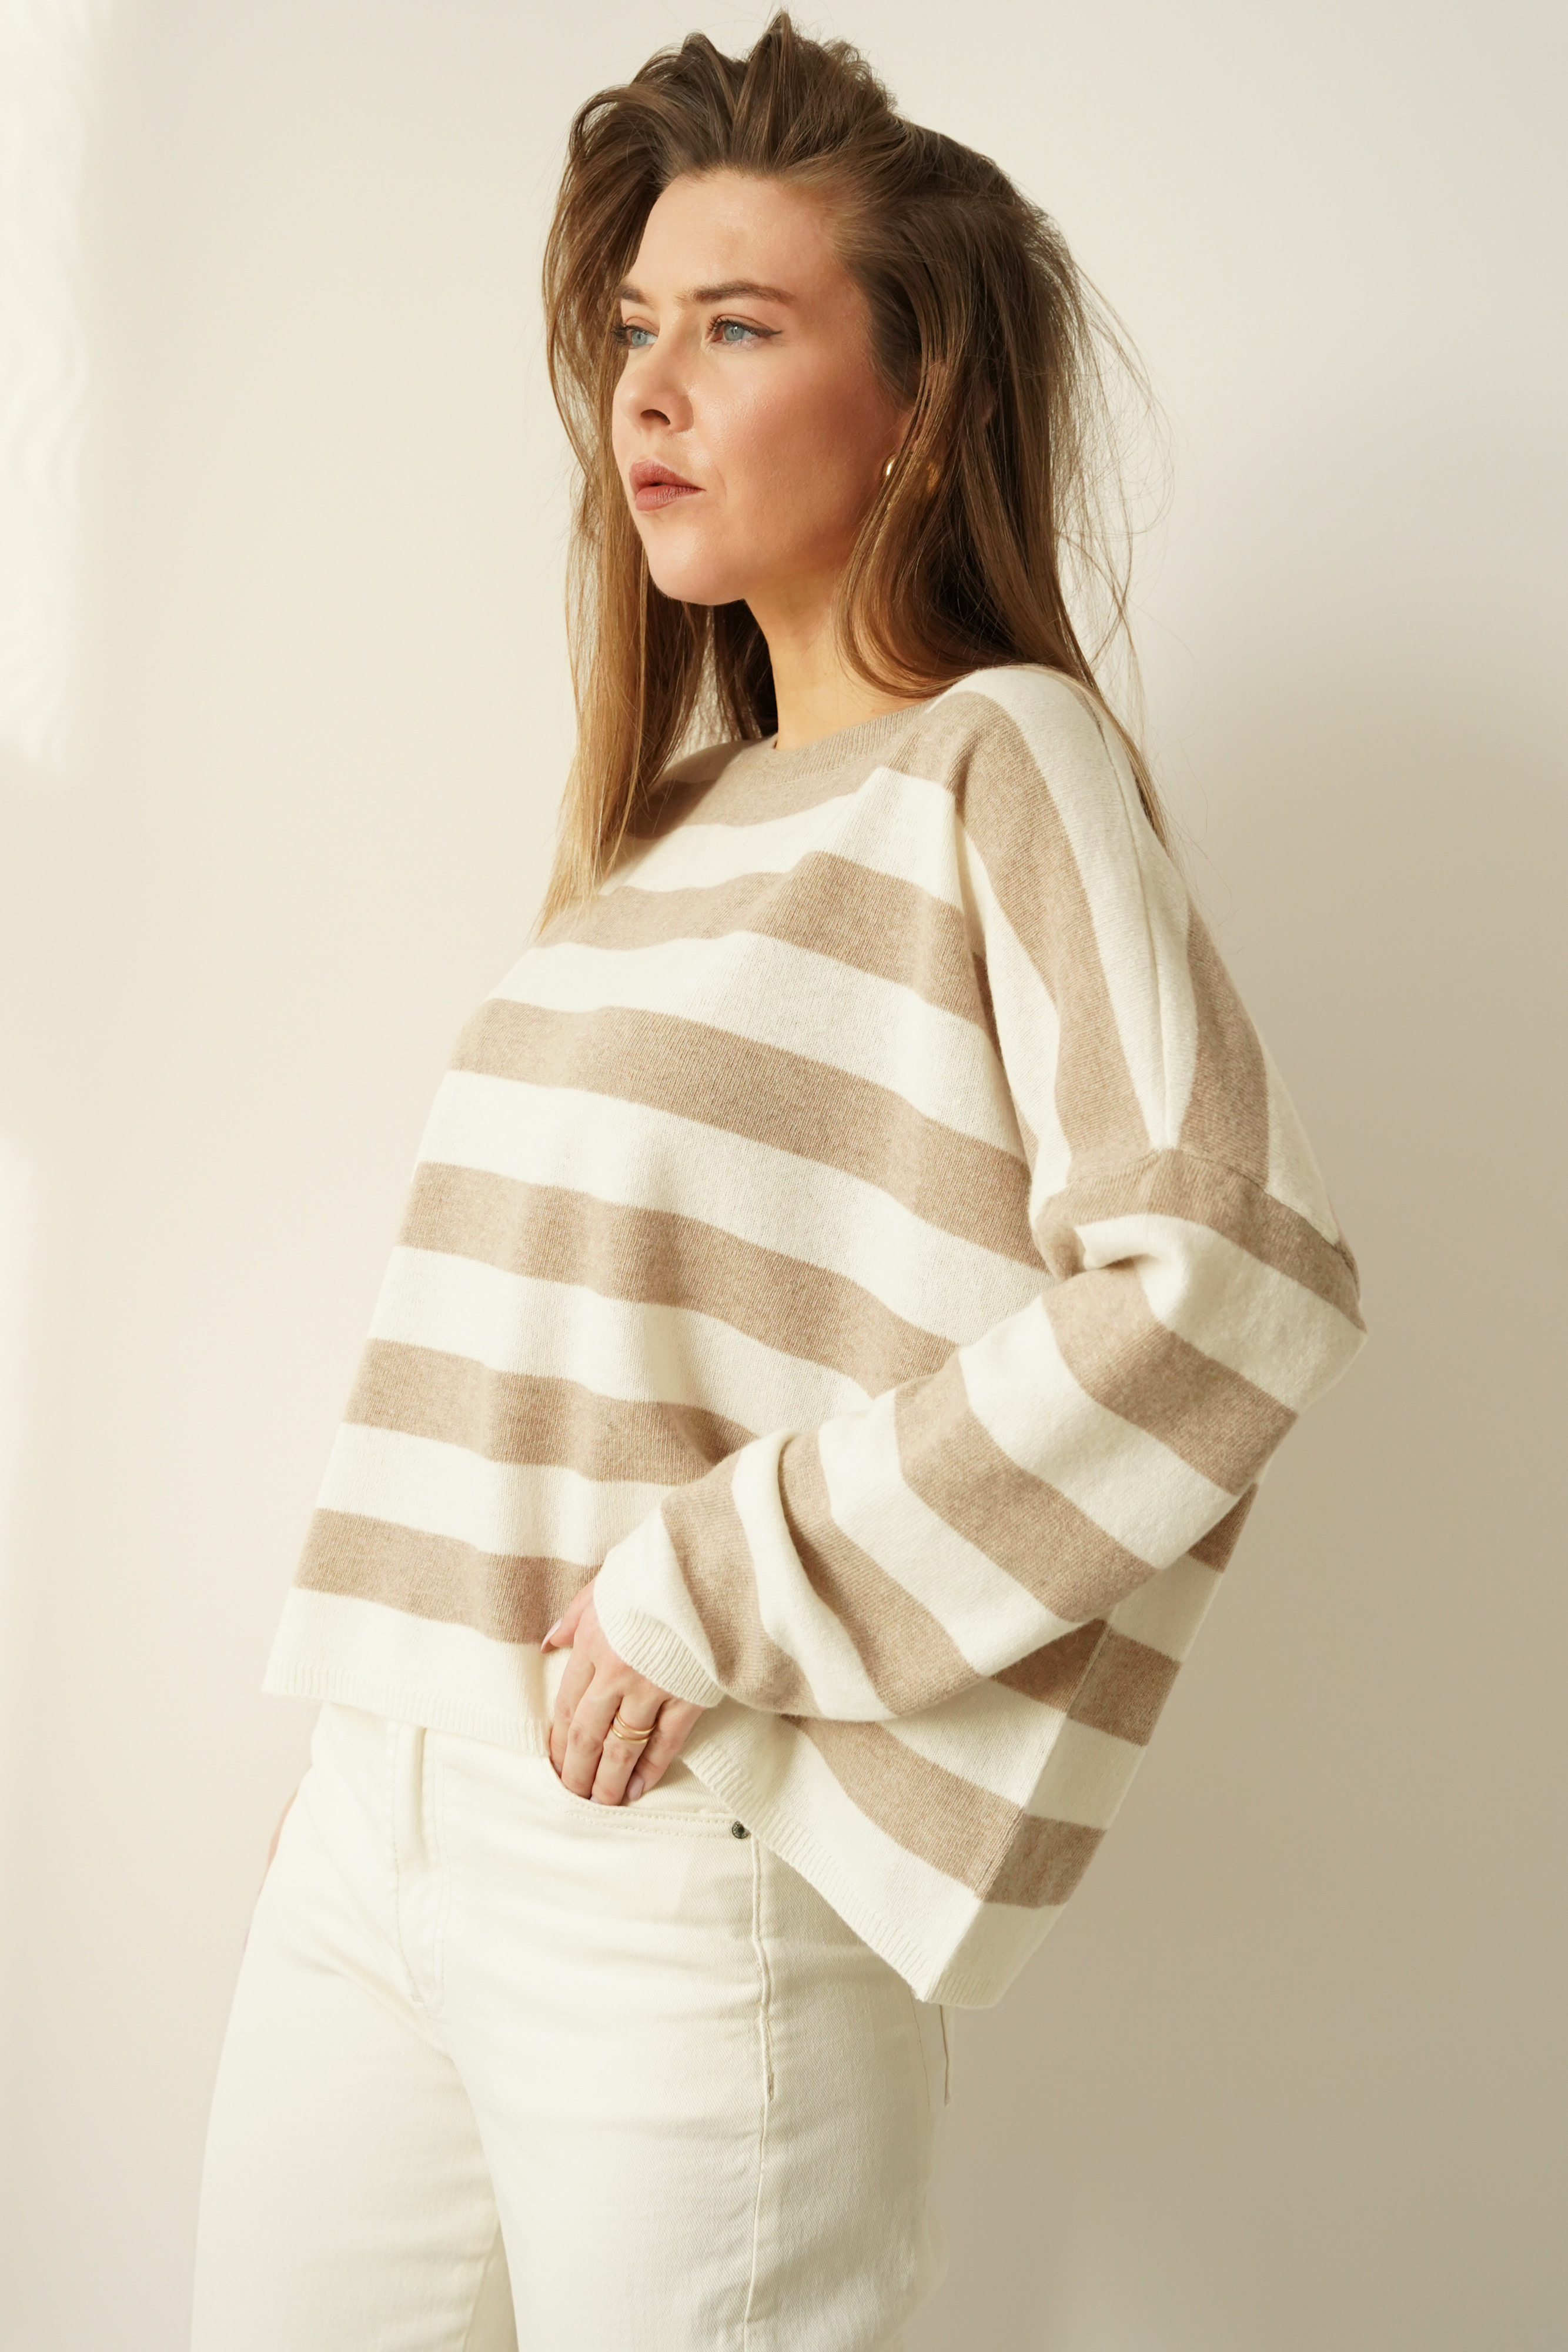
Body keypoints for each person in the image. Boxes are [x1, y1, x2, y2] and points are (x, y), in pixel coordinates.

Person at [190, 16, 1366, 2348]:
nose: (650, 390)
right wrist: (378, 1755)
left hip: (675, 1854)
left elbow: (1225, 1279)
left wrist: (708, 1588)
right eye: (636, 329)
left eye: (734, 328)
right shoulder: (662, 821)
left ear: (913, 404)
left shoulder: (993, 761)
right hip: (374, 1833)